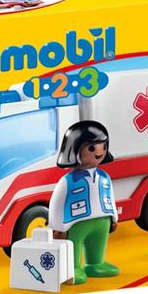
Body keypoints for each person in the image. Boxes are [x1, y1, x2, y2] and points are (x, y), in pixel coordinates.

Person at [49, 120, 119, 284]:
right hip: (76, 223)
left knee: (98, 243)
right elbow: (56, 204)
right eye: (92, 148)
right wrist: (57, 227)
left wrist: (114, 217)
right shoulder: (67, 181)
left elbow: (110, 197)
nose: (99, 152)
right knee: (73, 246)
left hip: (102, 221)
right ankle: (72, 268)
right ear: (74, 150)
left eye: (103, 146)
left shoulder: (104, 177)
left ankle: (95, 263)